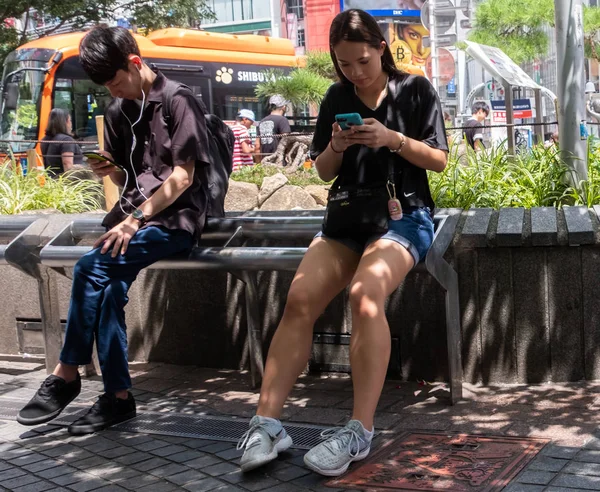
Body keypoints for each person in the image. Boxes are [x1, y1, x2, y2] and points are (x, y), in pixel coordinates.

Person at [237, 8, 448, 477]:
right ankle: (267, 423)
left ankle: (359, 431)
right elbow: (323, 171)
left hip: (403, 216)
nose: (353, 72)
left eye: (362, 61)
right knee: (299, 299)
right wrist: (338, 145)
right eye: (344, 64)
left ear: (380, 49)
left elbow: (439, 160)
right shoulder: (336, 96)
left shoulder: (415, 89)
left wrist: (392, 138)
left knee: (365, 295)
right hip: (347, 216)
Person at [17, 25, 210, 435]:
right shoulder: (120, 111)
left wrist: (136, 218)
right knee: (106, 293)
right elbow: (131, 178)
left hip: (176, 219)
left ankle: (66, 373)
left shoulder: (179, 101)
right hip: (135, 219)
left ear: (135, 63)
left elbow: (183, 178)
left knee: (90, 267)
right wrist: (112, 169)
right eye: (106, 85)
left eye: (117, 80)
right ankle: (118, 400)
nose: (114, 90)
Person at [40, 108, 83, 176]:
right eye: (70, 120)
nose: (71, 124)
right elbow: (68, 165)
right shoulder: (66, 140)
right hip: (66, 183)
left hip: (52, 182)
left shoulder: (44, 140)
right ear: (65, 122)